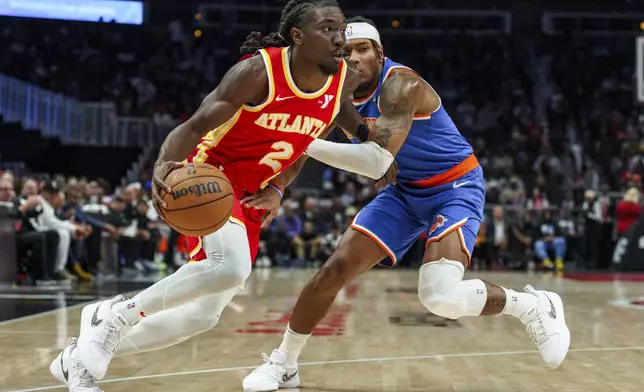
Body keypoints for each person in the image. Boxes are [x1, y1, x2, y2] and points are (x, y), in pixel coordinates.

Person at [49, 1, 398, 391]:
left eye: (343, 30)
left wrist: (280, 186)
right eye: (330, 30)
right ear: (298, 36)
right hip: (211, 176)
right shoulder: (258, 71)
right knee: (230, 267)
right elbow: (196, 124)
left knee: (201, 316)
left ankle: (78, 360)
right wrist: (163, 164)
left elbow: (311, 141)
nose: (341, 39)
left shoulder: (340, 84)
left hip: (250, 193)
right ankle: (114, 316)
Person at [242, 17, 570, 391]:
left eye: (362, 50)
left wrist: (306, 143)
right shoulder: (332, 91)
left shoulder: (402, 84)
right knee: (332, 271)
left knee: (439, 296)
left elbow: (375, 162)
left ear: (380, 54)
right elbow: (310, 133)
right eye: (344, 52)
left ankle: (530, 306)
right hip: (405, 193)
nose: (353, 58)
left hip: (454, 186)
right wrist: (280, 188)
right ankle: (285, 363)